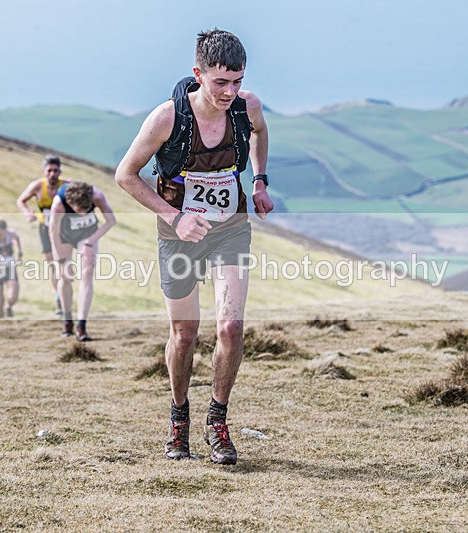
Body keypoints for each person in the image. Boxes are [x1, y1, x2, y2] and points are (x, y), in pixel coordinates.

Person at [115, 29, 274, 465]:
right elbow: (125, 175)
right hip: (178, 234)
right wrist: (175, 217)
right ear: (198, 74)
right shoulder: (167, 118)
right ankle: (178, 418)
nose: (230, 91)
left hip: (230, 228)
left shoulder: (247, 107)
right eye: (220, 82)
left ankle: (217, 421)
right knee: (184, 333)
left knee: (230, 328)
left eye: (237, 80)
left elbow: (260, 133)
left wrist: (259, 180)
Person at [48, 180, 116, 341]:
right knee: (65, 277)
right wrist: (62, 261)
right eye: (79, 211)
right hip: (63, 236)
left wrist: (90, 241)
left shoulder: (97, 196)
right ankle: (67, 321)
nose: (83, 213)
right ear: (71, 204)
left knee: (87, 274)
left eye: (87, 210)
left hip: (87, 235)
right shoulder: (59, 204)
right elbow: (53, 233)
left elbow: (111, 221)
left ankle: (81, 325)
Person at [16, 154, 70, 315]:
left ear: (60, 171)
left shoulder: (67, 185)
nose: (52, 174)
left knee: (64, 264)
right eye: (49, 170)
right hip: (45, 228)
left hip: (64, 228)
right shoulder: (37, 186)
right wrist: (27, 213)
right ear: (44, 171)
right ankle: (59, 296)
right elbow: (21, 200)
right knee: (52, 265)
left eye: (55, 170)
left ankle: (64, 290)